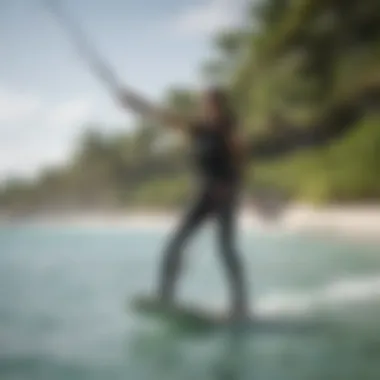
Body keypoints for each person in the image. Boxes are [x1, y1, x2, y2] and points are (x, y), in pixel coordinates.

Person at [119, 86, 249, 320]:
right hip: (202, 195)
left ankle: (240, 305)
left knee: (226, 250)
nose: (209, 107)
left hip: (225, 196)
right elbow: (163, 116)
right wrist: (135, 103)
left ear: (222, 105)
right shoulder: (197, 129)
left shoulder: (229, 128)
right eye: (206, 103)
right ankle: (165, 297)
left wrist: (231, 189)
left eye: (213, 103)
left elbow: (240, 163)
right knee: (174, 244)